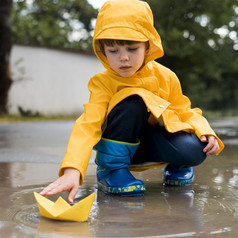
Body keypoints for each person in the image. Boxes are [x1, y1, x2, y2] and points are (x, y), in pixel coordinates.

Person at [40, 0, 224, 203]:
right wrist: (72, 170)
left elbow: (184, 110)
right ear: (102, 50)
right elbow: (88, 124)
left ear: (147, 46)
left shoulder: (167, 76)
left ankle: (178, 165)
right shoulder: (103, 83)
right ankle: (111, 171)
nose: (124, 58)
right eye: (114, 51)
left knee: (196, 149)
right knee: (133, 100)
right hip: (120, 146)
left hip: (153, 144)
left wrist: (205, 130)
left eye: (132, 48)